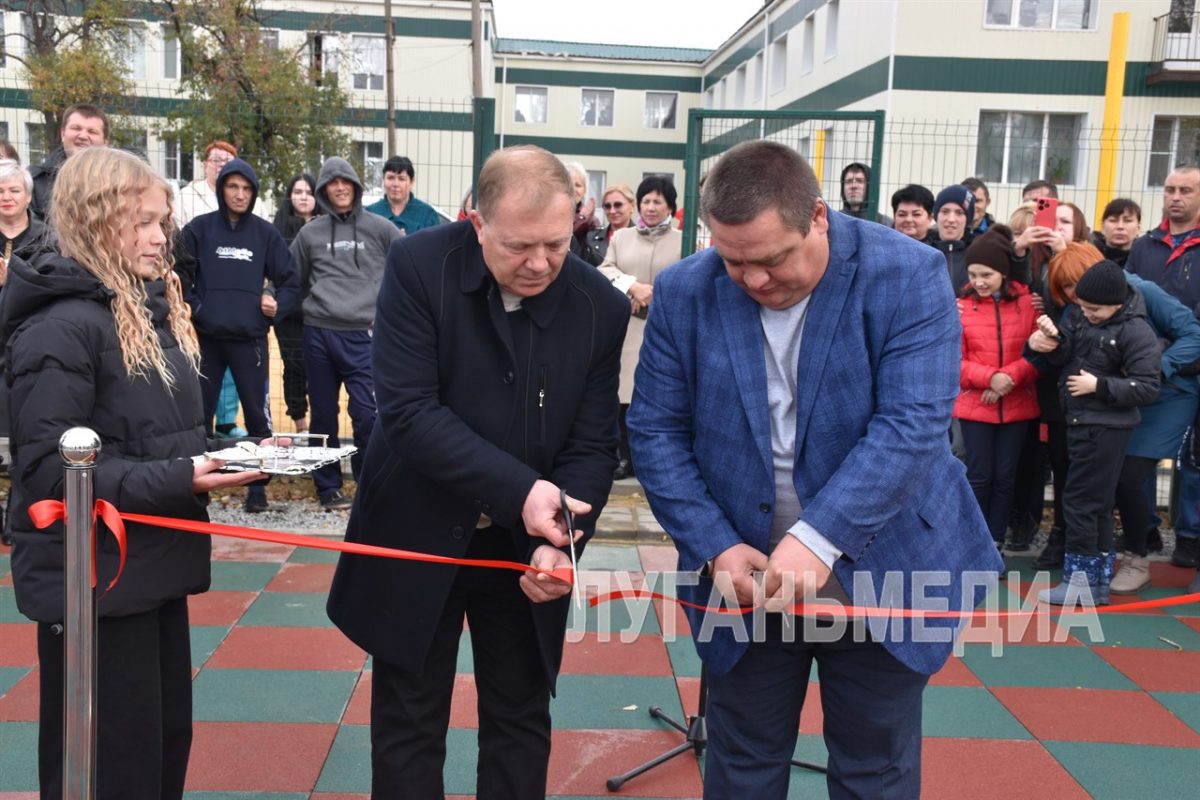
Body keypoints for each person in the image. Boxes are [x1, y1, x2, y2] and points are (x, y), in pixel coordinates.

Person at [627, 140, 1000, 799]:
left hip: (885, 565)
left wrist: (817, 540)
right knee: (741, 766)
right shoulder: (687, 290)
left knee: (874, 771)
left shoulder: (907, 274)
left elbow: (912, 426)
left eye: (772, 259)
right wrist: (714, 545)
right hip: (742, 576)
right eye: (733, 260)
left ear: (819, 217)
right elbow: (655, 431)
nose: (754, 281)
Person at [325, 145, 628, 798]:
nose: (541, 263)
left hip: (525, 551)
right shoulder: (417, 266)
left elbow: (592, 444)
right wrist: (522, 492)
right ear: (477, 222)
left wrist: (565, 538)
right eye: (519, 246)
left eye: (555, 243)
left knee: (520, 719)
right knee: (408, 721)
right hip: (415, 525)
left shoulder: (598, 307)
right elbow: (407, 413)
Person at [1, 146, 265, 800]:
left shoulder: (143, 311)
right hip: (95, 580)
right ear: (93, 222)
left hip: (148, 567)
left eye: (162, 221)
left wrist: (224, 458)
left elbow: (151, 433)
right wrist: (184, 477)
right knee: (107, 763)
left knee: (160, 747)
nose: (159, 237)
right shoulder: (62, 326)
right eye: (141, 222)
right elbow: (50, 470)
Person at [1029, 260, 1161, 605]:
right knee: (1096, 503)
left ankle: (1080, 582)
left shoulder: (1135, 330)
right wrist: (1054, 340)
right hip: (1082, 421)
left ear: (1117, 304)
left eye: (1094, 309)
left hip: (1103, 426)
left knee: (1081, 503)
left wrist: (1099, 385)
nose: (1086, 313)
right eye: (1082, 307)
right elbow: (1066, 355)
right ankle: (1096, 580)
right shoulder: (1080, 317)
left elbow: (1148, 387)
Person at [177, 158, 299, 513]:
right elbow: (179, 275)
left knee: (257, 419)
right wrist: (197, 307)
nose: (240, 194)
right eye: (233, 187)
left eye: (247, 188)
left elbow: (290, 280)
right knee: (200, 415)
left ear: (254, 193)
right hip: (206, 340)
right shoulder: (198, 230)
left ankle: (257, 489)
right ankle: (197, 489)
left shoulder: (265, 234)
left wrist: (275, 300)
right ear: (221, 189)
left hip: (250, 342)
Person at [290, 157, 402, 510]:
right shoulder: (309, 233)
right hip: (319, 333)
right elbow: (292, 277)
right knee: (322, 414)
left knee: (368, 415)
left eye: (346, 182)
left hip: (364, 335)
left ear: (354, 186)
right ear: (323, 190)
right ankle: (328, 488)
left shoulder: (382, 229)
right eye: (332, 183)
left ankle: (369, 485)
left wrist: (387, 313)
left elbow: (408, 270)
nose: (339, 188)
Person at [1125, 164, 1200, 573]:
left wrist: (1176, 352)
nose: (1175, 196)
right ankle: (1148, 528)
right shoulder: (1145, 245)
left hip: (1191, 361)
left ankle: (1189, 534)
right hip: (1148, 364)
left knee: (1194, 459)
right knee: (1141, 451)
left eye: (1185, 190)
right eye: (1170, 188)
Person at [954, 226, 1041, 548]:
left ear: (1003, 272)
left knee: (1006, 478)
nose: (979, 281)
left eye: (986, 274)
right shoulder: (961, 307)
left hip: (1017, 405)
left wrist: (1009, 379)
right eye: (973, 274)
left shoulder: (1028, 305)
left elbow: (1039, 353)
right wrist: (990, 378)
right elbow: (954, 361)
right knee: (979, 475)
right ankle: (973, 542)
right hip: (976, 406)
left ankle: (995, 541)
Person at [597, 175, 682, 480]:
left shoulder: (681, 240)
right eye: (646, 200)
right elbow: (604, 269)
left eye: (657, 201)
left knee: (657, 397)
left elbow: (688, 278)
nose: (650, 206)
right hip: (628, 327)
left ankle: (652, 461)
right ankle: (623, 457)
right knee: (623, 395)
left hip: (663, 328)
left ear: (670, 206)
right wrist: (631, 286)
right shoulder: (621, 238)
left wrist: (653, 296)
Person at [271, 173, 320, 433]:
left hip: (321, 310)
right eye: (298, 191)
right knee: (294, 367)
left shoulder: (326, 226)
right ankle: (300, 426)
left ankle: (320, 426)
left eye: (309, 192)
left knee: (320, 368)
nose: (303, 197)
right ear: (290, 196)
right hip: (289, 313)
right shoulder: (279, 229)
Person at [28, 103, 109, 218]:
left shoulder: (119, 182)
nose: (83, 136)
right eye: (76, 128)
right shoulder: (35, 183)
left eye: (92, 131)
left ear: (105, 141)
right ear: (62, 134)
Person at [364, 155, 443, 235]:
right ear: (383, 180)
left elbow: (435, 246)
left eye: (401, 179)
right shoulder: (370, 213)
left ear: (411, 182)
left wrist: (407, 244)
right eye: (390, 178)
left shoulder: (427, 215)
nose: (395, 184)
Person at [176, 141, 236, 227]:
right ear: (205, 166)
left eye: (228, 161)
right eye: (216, 160)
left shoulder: (250, 199)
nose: (222, 164)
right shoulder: (186, 196)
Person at [932, 184, 975, 290]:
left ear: (967, 219)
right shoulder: (923, 250)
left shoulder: (979, 252)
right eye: (945, 211)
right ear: (936, 215)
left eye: (959, 213)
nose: (951, 219)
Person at [581, 182, 636, 266]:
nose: (612, 211)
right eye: (607, 206)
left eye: (618, 205)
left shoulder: (643, 238)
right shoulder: (590, 238)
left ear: (632, 206)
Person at [1091, 198, 1142, 267]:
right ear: (1102, 227)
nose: (1120, 226)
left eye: (1127, 221)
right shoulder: (1088, 257)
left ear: (1138, 228)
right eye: (1113, 220)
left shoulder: (1145, 260)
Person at [838, 161, 891, 225]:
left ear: (870, 186)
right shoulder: (833, 221)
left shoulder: (885, 223)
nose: (853, 186)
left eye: (860, 181)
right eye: (848, 181)